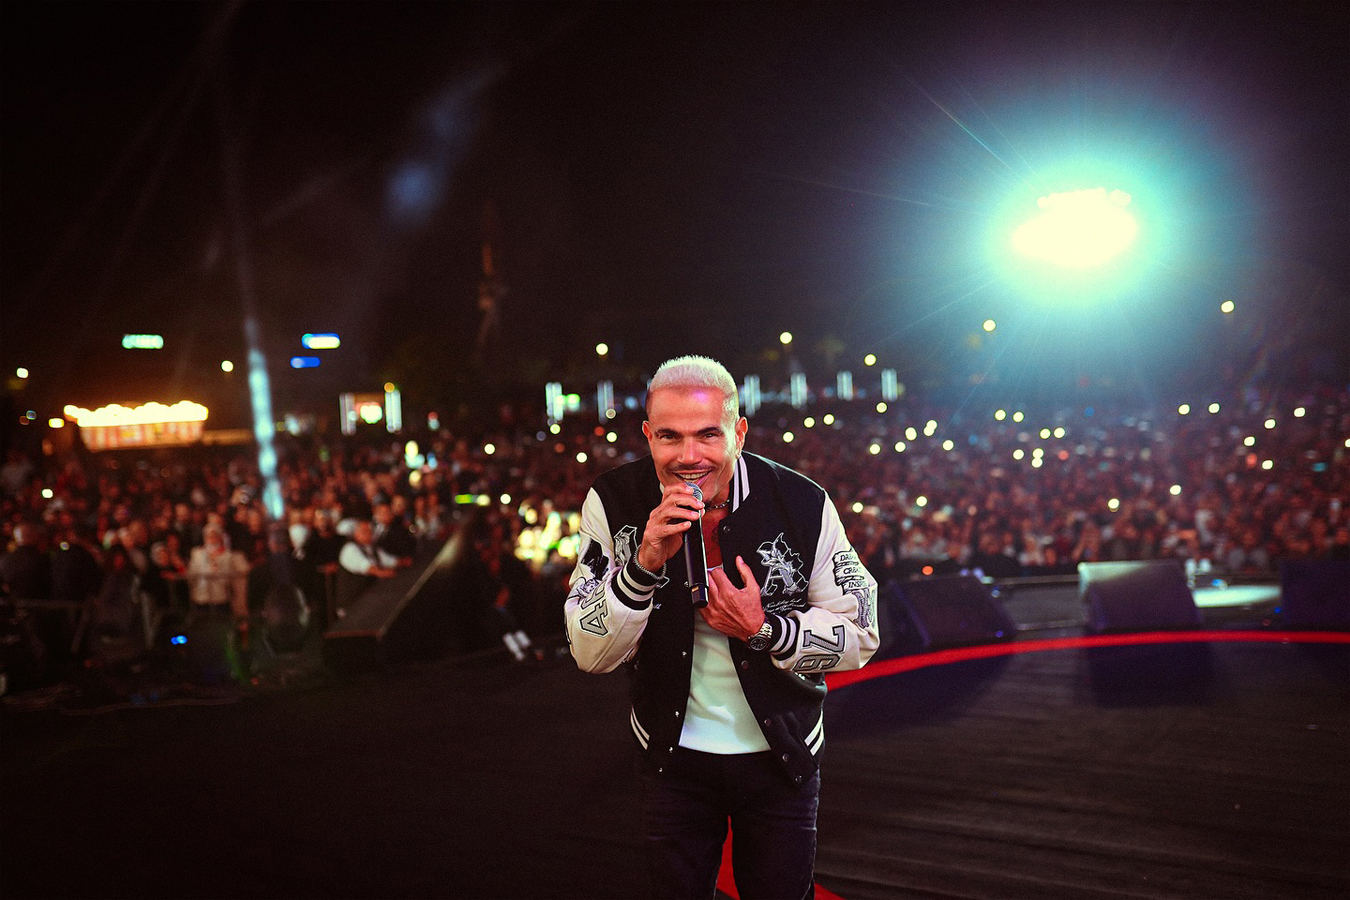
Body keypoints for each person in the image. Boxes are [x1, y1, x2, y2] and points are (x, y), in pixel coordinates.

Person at [564, 355, 880, 900]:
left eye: (708, 434)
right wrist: (641, 567)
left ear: (739, 433)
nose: (689, 457)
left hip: (782, 754)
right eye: (670, 436)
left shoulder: (801, 501)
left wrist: (765, 629)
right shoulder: (614, 500)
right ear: (648, 435)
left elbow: (863, 634)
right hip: (670, 756)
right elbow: (589, 654)